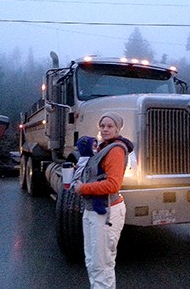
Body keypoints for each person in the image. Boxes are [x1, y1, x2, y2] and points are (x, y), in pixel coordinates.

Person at [74, 112, 134, 289]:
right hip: (92, 209)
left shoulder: (115, 150)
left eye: (110, 126)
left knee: (102, 265)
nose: (105, 129)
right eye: (102, 126)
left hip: (107, 212)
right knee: (93, 261)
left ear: (118, 128)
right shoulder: (102, 148)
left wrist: (83, 188)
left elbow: (113, 185)